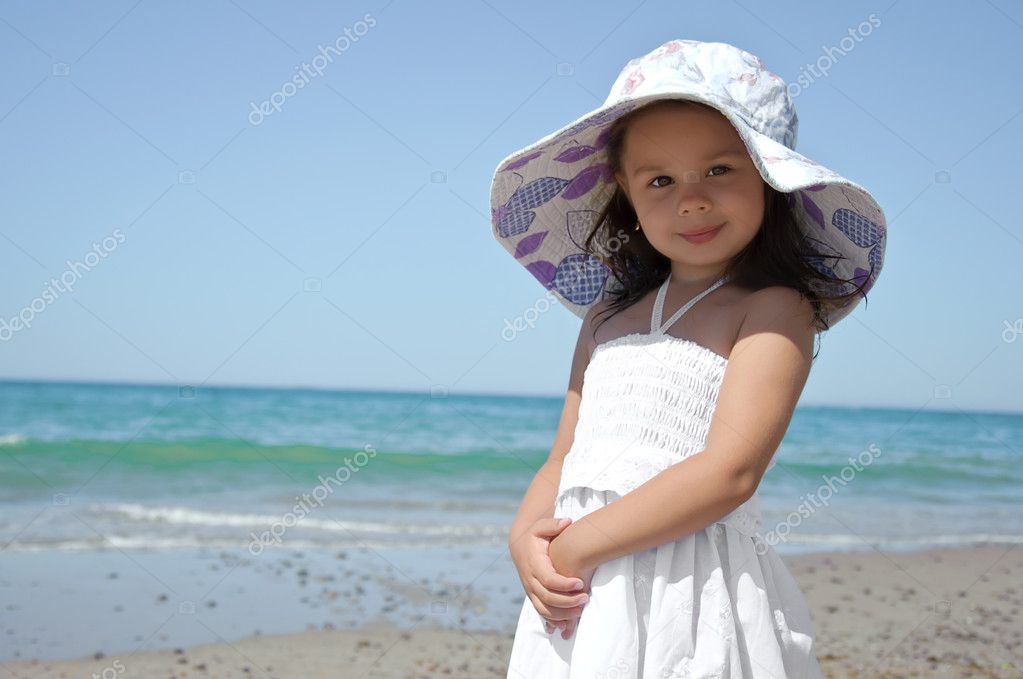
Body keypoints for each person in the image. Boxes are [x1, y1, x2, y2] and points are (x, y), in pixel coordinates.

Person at [489, 39, 887, 677]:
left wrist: (577, 548)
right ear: (627, 191)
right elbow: (563, 457)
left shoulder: (773, 308)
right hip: (584, 590)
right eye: (661, 180)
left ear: (769, 175)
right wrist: (524, 537)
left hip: (692, 585)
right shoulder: (606, 318)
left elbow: (729, 472)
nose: (692, 200)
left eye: (720, 171)